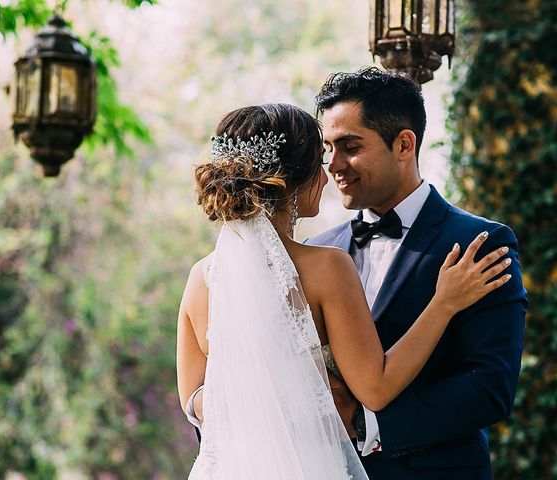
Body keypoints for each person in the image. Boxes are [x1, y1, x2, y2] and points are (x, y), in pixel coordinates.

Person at [177, 102, 515, 479]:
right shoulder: (328, 266)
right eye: (321, 161)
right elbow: (376, 387)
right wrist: (445, 302)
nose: (329, 174)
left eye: (348, 149)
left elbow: (192, 399)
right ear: (295, 179)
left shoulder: (200, 278)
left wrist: (257, 401)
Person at [304, 67, 528, 479]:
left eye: (349, 146)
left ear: (404, 144)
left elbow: (489, 385)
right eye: (327, 148)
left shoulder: (482, 242)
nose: (332, 165)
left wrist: (370, 427)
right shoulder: (316, 252)